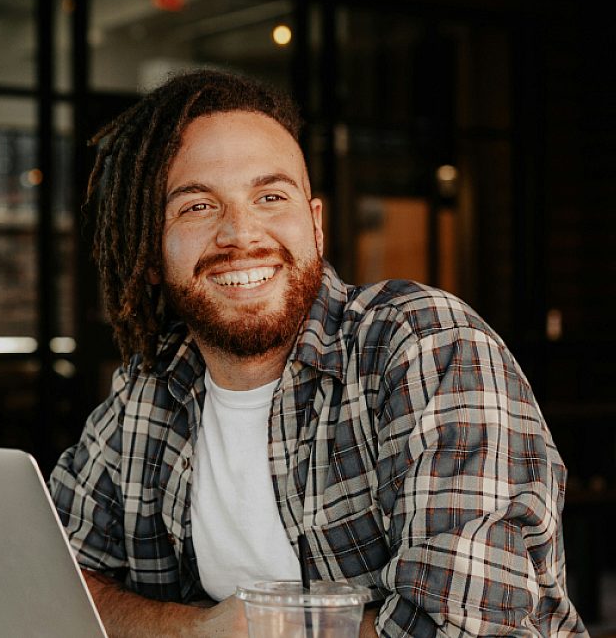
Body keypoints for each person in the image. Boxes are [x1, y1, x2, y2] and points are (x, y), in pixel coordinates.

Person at [49, 69, 586, 637]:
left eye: (271, 197)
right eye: (198, 207)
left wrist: (267, 629)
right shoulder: (151, 387)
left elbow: (463, 625)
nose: (241, 234)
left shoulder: (424, 345)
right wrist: (195, 631)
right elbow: (52, 577)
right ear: (151, 253)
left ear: (315, 225)